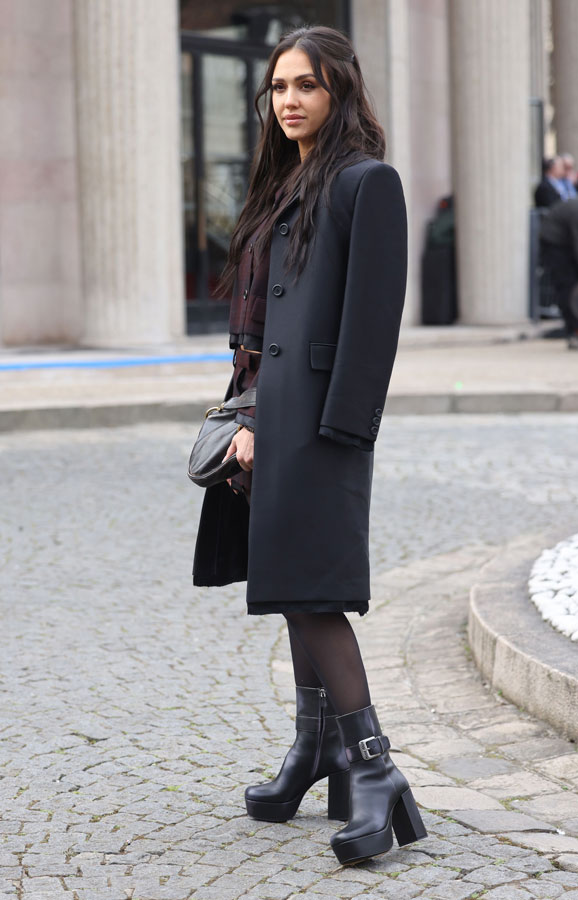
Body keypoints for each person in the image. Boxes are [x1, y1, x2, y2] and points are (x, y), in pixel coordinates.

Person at [193, 25, 427, 864]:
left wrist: (336, 431)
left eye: (307, 85)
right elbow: (263, 327)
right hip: (272, 416)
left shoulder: (368, 183)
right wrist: (250, 415)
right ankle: (315, 747)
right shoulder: (283, 183)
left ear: (341, 92)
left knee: (317, 593)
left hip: (321, 425)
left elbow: (371, 326)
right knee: (292, 582)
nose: (289, 100)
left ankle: (372, 767)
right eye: (279, 87)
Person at [540, 196, 578, 348]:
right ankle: (574, 330)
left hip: (567, 242)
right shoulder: (576, 211)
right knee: (566, 286)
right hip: (555, 244)